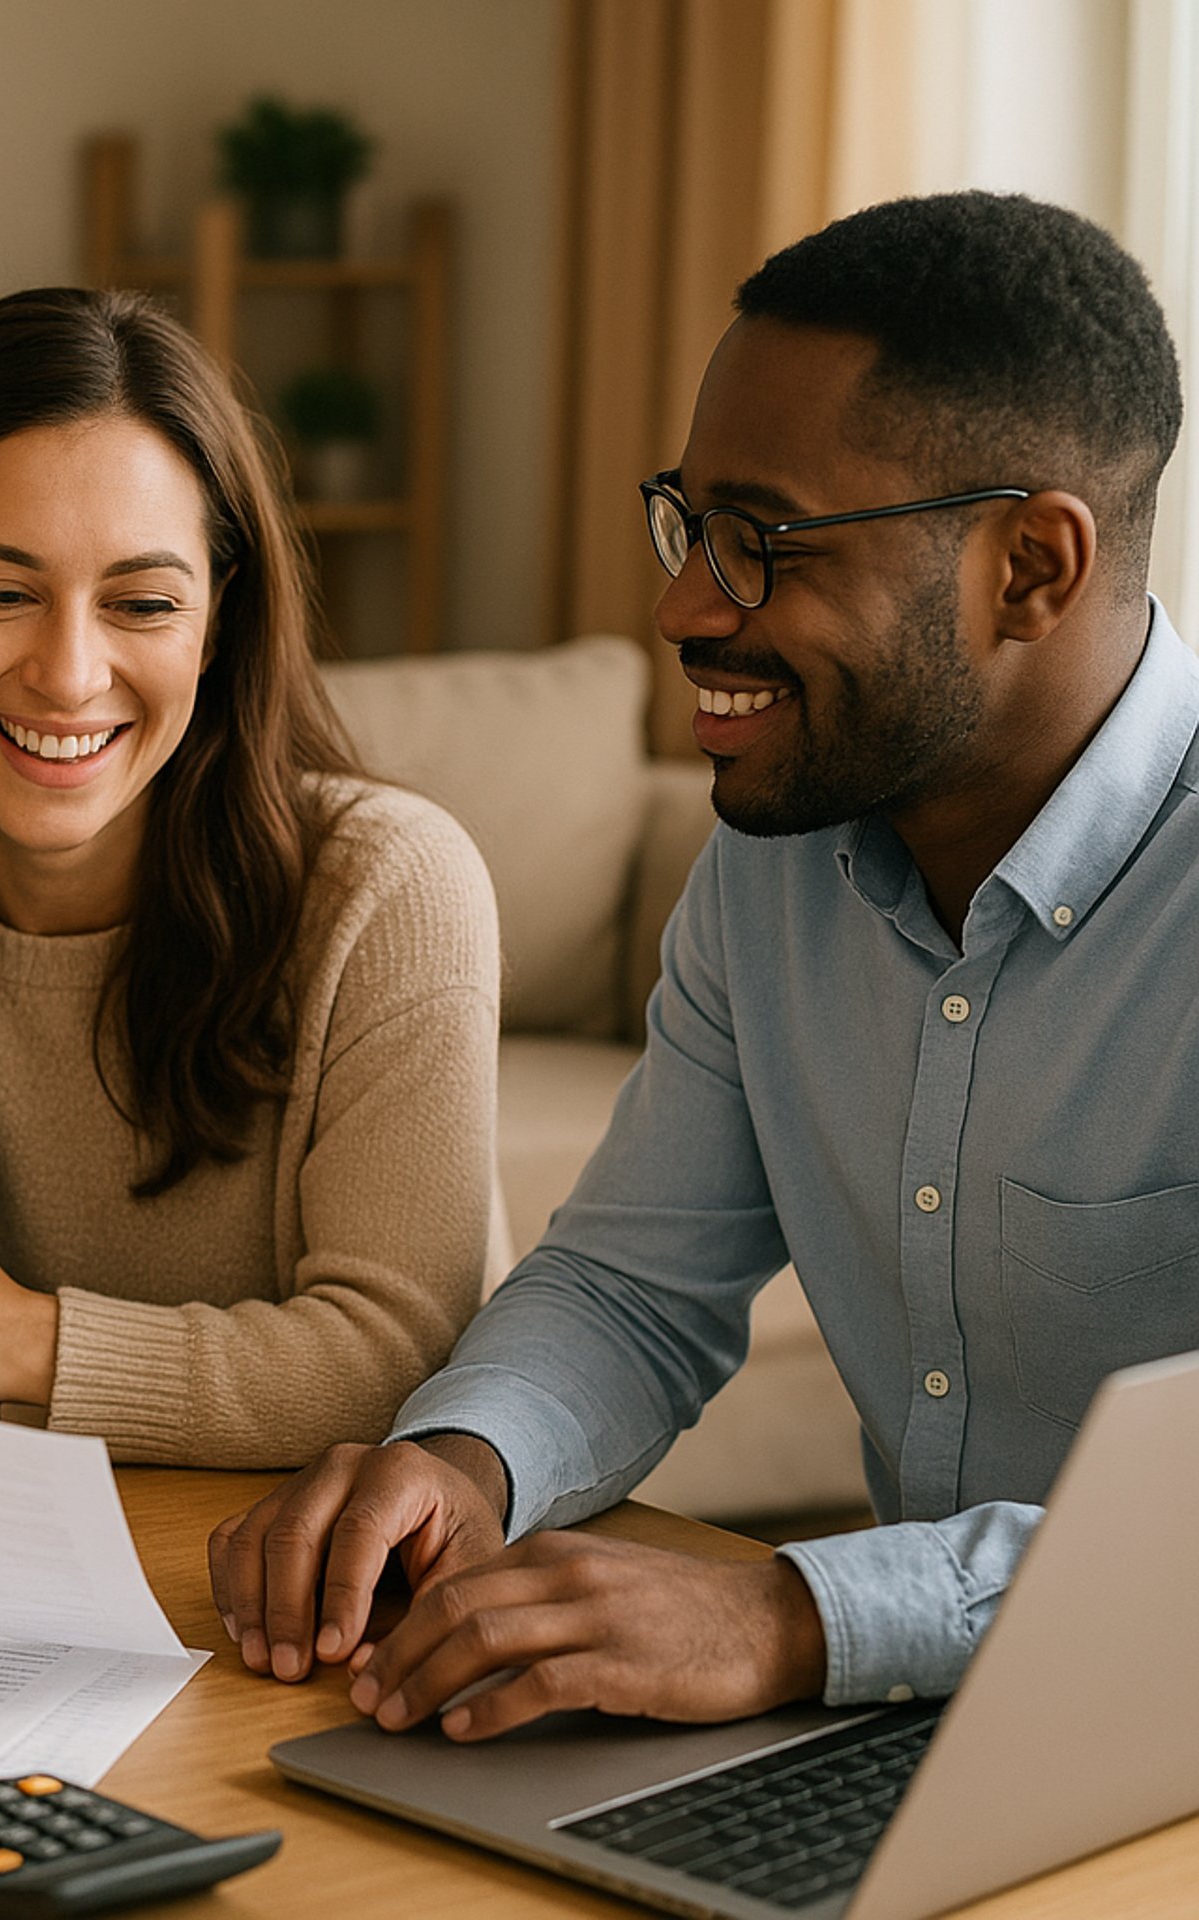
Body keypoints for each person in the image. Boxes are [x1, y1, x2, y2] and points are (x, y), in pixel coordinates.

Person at [209, 190, 1195, 1734]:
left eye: (763, 545)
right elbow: (632, 1285)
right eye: (690, 524)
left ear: (1033, 568)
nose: (681, 607)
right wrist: (463, 1462)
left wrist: (798, 1613)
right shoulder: (777, 863)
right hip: (936, 1733)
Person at [0, 286, 501, 1465]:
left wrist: (25, 1340)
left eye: (143, 603)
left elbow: (411, 1359)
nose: (67, 673)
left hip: (278, 1587)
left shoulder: (386, 890)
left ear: (217, 623)